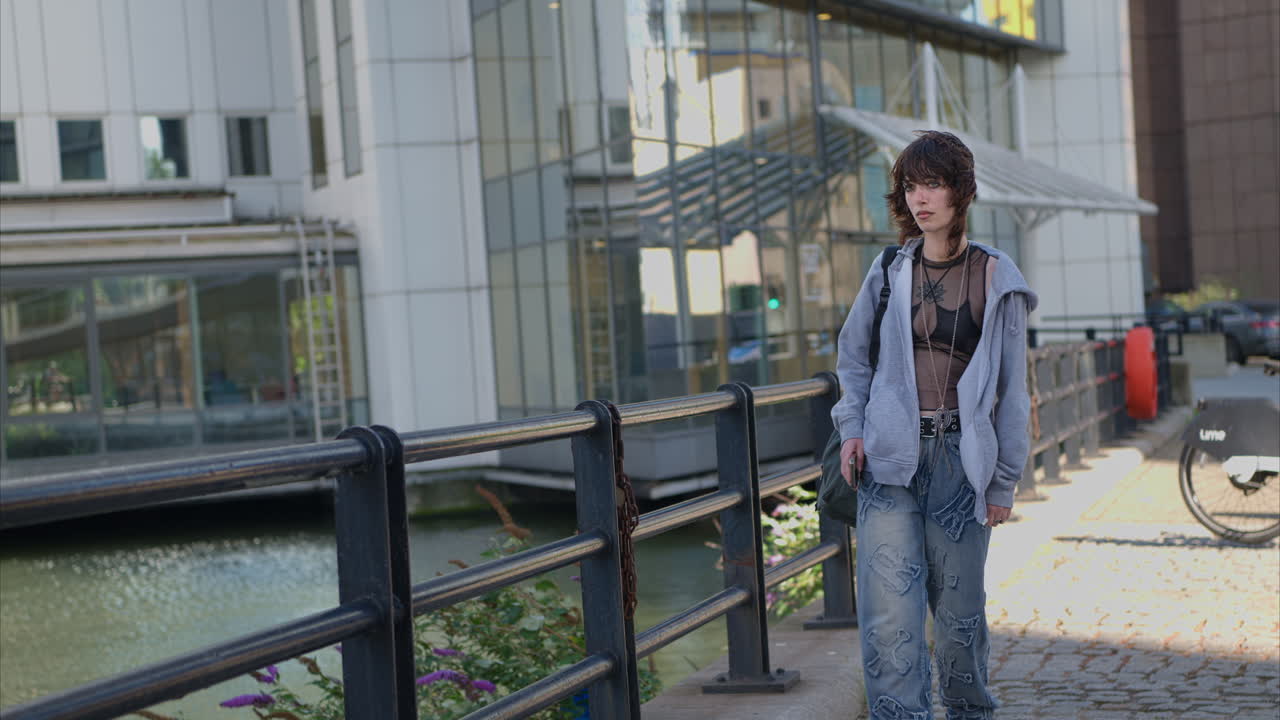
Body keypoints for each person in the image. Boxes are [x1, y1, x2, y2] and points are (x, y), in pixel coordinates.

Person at [830, 130, 1037, 720]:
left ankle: (969, 711)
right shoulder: (891, 268)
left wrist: (1003, 480)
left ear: (960, 191)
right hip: (889, 458)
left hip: (960, 463)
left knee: (958, 620)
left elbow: (1012, 391)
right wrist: (852, 429)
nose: (921, 198)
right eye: (912, 186)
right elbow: (853, 357)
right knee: (889, 619)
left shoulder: (996, 276)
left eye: (934, 184)